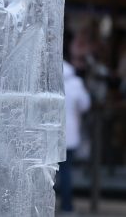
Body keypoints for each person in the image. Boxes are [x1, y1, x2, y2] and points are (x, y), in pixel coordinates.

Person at [60, 59, 91, 213]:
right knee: (66, 172)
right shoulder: (75, 83)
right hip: (69, 135)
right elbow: (85, 104)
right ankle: (66, 206)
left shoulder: (47, 81)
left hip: (49, 135)